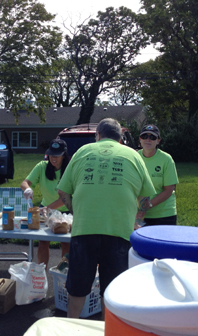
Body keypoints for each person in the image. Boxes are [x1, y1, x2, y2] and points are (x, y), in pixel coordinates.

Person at [57, 118, 155, 319]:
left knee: (76, 291)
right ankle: (107, 330)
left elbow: (62, 191)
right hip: (119, 232)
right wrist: (137, 217)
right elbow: (145, 198)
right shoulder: (134, 156)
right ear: (120, 138)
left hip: (84, 231)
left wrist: (78, 210)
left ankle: (70, 328)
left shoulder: (82, 152)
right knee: (111, 293)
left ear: (98, 135)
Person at [20, 138, 70, 268]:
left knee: (66, 243)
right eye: (51, 154)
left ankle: (64, 273)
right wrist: (27, 189)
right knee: (43, 241)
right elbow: (24, 183)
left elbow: (66, 198)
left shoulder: (70, 169)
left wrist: (47, 208)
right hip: (46, 210)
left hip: (66, 212)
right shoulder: (41, 166)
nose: (53, 158)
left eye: (57, 155)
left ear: (64, 155)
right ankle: (41, 271)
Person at [138, 124, 179, 226]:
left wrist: (146, 207)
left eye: (152, 137)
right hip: (138, 214)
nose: (148, 140)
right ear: (140, 139)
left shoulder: (166, 159)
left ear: (158, 141)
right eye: (144, 136)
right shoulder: (134, 157)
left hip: (164, 214)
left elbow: (168, 190)